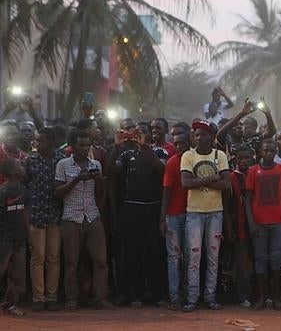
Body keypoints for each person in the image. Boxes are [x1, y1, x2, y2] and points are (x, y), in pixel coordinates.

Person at [108, 123, 167, 308]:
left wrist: (144, 147)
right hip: (131, 210)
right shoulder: (125, 155)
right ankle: (134, 295)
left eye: (143, 133)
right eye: (136, 133)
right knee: (132, 253)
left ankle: (157, 295)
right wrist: (116, 147)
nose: (139, 135)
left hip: (153, 209)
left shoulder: (159, 153)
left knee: (154, 253)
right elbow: (110, 171)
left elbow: (162, 170)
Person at [54, 131, 113, 310]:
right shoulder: (63, 165)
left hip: (92, 216)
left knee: (101, 260)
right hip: (71, 217)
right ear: (72, 146)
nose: (85, 148)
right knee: (71, 262)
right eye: (81, 145)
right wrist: (78, 179)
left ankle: (100, 298)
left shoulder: (95, 164)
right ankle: (72, 299)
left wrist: (99, 180)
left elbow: (99, 194)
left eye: (88, 145)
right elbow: (58, 192)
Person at [180, 121, 231, 312]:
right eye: (197, 134)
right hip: (194, 212)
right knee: (193, 256)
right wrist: (212, 178)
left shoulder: (220, 155)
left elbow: (227, 185)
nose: (199, 137)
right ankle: (192, 298)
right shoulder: (188, 155)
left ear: (211, 136)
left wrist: (199, 181)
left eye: (203, 134)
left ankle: (210, 297)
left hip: (215, 212)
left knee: (213, 256)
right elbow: (185, 183)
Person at [245, 139, 281, 310]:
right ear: (260, 152)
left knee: (276, 259)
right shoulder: (253, 171)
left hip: (278, 221)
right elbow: (248, 199)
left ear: (275, 151)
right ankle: (261, 297)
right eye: (266, 150)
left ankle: (275, 297)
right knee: (260, 259)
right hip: (259, 222)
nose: (269, 153)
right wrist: (251, 223)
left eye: (272, 150)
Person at [23, 128, 64, 312]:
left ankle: (52, 296)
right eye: (36, 140)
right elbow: (23, 187)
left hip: (55, 214)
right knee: (37, 257)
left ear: (52, 142)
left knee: (53, 257)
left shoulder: (60, 160)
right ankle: (38, 297)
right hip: (36, 214)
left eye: (41, 140)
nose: (37, 144)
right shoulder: (29, 161)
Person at [160, 132, 191, 311]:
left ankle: (189, 295)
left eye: (182, 143)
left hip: (193, 214)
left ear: (189, 143)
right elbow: (166, 192)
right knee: (173, 258)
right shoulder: (172, 162)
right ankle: (174, 297)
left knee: (190, 257)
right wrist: (162, 218)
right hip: (173, 215)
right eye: (176, 144)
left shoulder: (195, 160)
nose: (178, 147)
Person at [225, 146, 255, 308]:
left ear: (252, 158)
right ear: (235, 160)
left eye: (247, 158)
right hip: (239, 225)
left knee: (259, 260)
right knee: (242, 263)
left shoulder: (256, 173)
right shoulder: (231, 177)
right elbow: (227, 205)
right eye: (240, 158)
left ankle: (260, 293)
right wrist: (228, 227)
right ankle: (243, 295)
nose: (244, 161)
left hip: (257, 225)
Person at [0, 158, 29, 316]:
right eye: (19, 165)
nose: (22, 167)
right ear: (12, 172)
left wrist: (27, 233)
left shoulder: (24, 190)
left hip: (19, 238)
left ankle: (10, 304)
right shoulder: (3, 192)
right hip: (4, 238)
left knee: (17, 275)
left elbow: (25, 212)